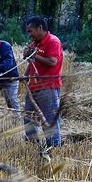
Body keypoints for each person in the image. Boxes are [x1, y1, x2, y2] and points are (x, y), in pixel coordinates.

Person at [22, 16, 63, 148]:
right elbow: (33, 63)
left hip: (48, 88)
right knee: (28, 117)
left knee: (49, 119)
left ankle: (54, 146)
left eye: (31, 31)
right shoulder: (35, 44)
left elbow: (52, 62)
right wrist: (25, 75)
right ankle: (33, 144)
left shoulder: (53, 41)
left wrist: (34, 55)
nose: (29, 34)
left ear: (40, 28)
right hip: (33, 86)